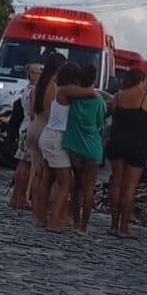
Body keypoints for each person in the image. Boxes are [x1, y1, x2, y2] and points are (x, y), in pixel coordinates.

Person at [37, 63, 98, 233]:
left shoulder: (59, 90)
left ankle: (41, 217)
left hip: (48, 134)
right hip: (57, 138)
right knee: (66, 183)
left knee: (47, 179)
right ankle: (53, 221)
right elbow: (91, 93)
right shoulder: (66, 90)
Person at [106, 67, 147, 238]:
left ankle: (113, 225)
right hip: (137, 145)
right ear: (142, 81)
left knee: (116, 183)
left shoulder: (118, 96)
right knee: (130, 188)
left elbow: (113, 115)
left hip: (117, 142)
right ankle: (124, 228)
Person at [62, 64, 106, 236]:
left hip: (74, 147)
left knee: (77, 187)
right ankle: (84, 227)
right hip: (92, 149)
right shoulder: (98, 101)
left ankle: (75, 221)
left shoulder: (74, 98)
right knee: (89, 189)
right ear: (94, 80)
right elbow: (100, 123)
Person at [29, 53, 68, 226]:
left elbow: (31, 109)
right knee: (49, 176)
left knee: (37, 172)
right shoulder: (55, 87)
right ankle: (48, 211)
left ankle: (36, 208)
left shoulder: (39, 83)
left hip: (34, 125)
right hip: (47, 128)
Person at [10, 63, 43, 210]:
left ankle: (16, 195)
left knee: (22, 163)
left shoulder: (27, 89)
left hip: (24, 126)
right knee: (27, 164)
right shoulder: (33, 91)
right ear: (31, 74)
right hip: (29, 126)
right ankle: (21, 196)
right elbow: (32, 112)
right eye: (37, 73)